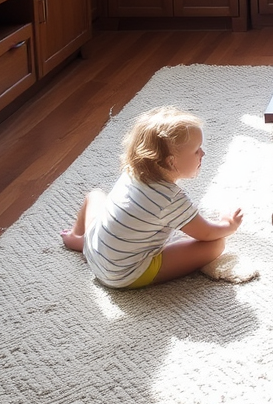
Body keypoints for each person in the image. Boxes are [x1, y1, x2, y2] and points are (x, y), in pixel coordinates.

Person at [61, 106, 243, 288]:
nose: (203, 153)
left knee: (95, 195)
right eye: (197, 150)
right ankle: (86, 244)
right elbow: (206, 233)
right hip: (123, 274)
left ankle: (78, 237)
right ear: (171, 162)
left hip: (96, 251)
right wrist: (228, 225)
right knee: (216, 245)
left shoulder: (132, 172)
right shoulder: (170, 199)